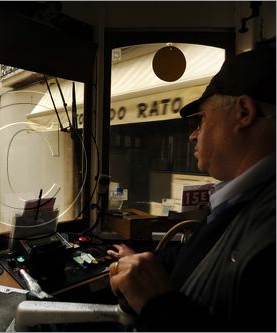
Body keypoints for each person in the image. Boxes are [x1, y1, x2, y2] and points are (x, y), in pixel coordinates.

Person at [107, 46, 276, 331]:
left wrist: (158, 305)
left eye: (201, 119)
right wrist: (140, 261)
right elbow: (199, 252)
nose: (192, 134)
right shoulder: (243, 200)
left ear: (244, 112)